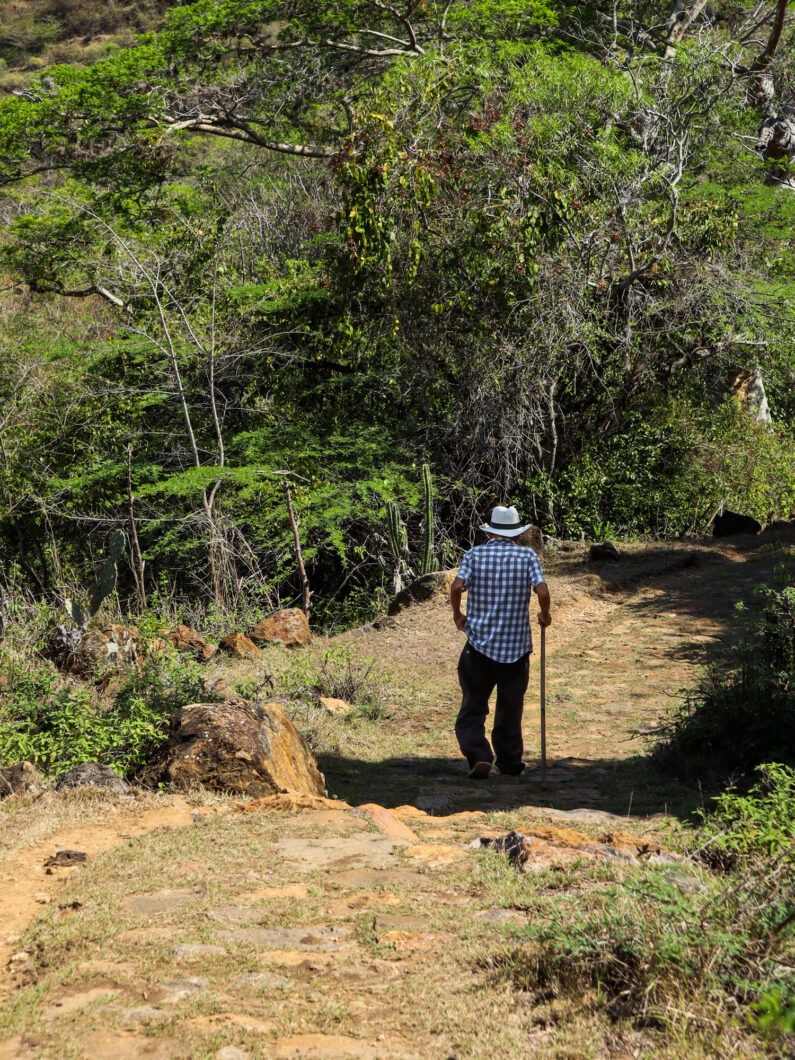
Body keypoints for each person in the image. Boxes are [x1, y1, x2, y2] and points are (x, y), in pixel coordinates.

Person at [450, 505, 552, 779]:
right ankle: (509, 765)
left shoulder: (474, 554)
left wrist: (458, 615)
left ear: (491, 533)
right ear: (517, 536)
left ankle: (479, 757)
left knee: (473, 705)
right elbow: (542, 590)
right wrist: (545, 614)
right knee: (510, 708)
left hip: (478, 647)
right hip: (516, 650)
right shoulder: (528, 556)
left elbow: (457, 586)